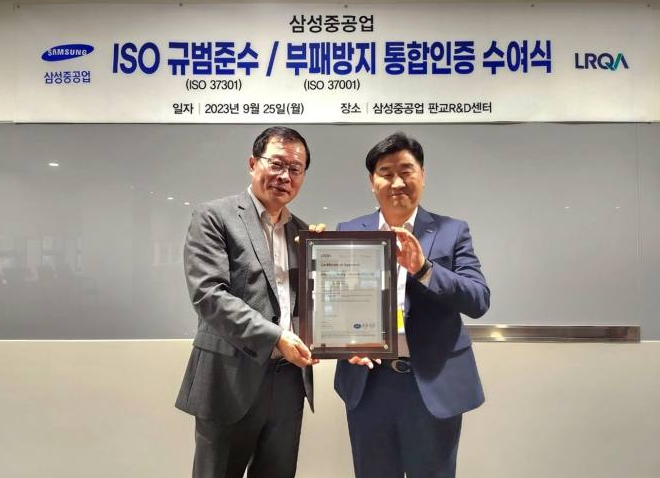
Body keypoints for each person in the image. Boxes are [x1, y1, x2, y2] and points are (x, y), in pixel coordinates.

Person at [334, 132, 490, 478]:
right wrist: (344, 342)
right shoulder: (348, 231)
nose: (397, 182)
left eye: (406, 171)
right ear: (372, 181)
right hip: (369, 384)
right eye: (386, 172)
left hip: (431, 385)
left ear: (423, 175)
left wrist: (424, 269)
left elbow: (479, 299)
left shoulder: (452, 231)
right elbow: (336, 303)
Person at [175, 126, 319, 478]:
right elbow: (209, 295)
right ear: (253, 163)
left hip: (288, 382)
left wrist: (326, 261)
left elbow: (311, 304)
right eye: (277, 164)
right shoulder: (214, 217)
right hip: (229, 378)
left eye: (295, 169)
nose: (285, 176)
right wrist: (276, 338)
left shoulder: (303, 233)